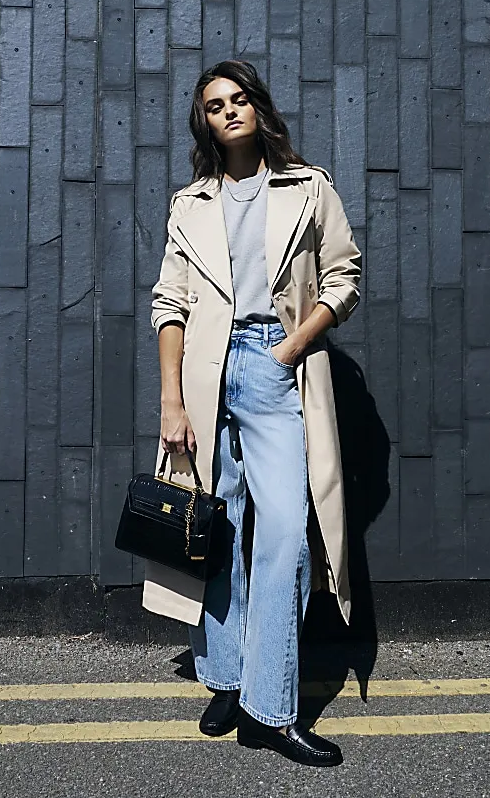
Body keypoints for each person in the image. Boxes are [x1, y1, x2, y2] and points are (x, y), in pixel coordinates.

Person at [146, 59, 362, 766]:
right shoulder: (192, 203)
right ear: (203, 121)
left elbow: (345, 276)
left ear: (258, 108)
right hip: (206, 376)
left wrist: (291, 347)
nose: (229, 111)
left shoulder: (309, 187)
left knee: (285, 537)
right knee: (219, 523)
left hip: (275, 367)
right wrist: (171, 401)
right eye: (215, 105)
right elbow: (170, 306)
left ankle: (270, 707)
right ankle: (229, 676)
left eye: (239, 99)